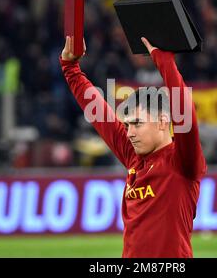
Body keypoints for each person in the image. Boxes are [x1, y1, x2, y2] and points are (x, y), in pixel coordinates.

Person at [59, 36, 206, 258]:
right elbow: (98, 112)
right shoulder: (134, 158)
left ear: (163, 122)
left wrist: (164, 60)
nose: (129, 132)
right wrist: (70, 66)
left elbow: (186, 114)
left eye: (137, 123)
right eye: (127, 125)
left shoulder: (183, 162)